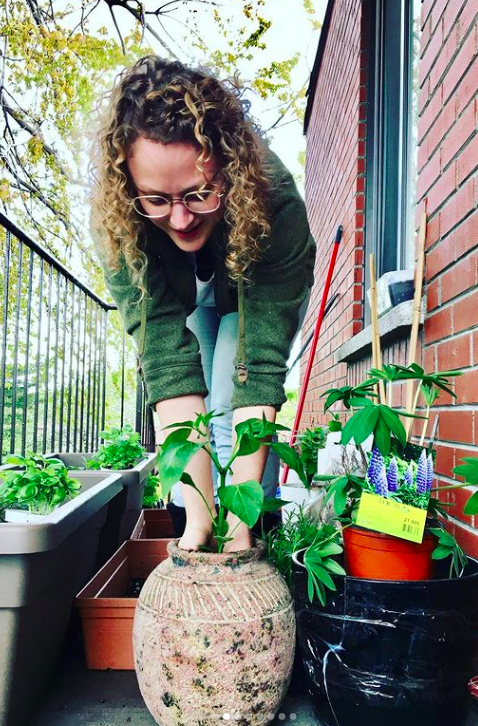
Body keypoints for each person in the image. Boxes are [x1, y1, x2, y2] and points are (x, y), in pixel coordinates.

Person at [91, 55, 316, 552]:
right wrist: (196, 527)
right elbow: (169, 368)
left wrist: (237, 535)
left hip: (251, 280)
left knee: (227, 399)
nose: (180, 219)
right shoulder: (120, 227)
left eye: (198, 194)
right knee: (199, 400)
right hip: (190, 291)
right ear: (130, 187)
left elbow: (255, 374)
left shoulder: (275, 205)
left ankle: (250, 524)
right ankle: (198, 517)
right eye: (156, 199)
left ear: (229, 173)